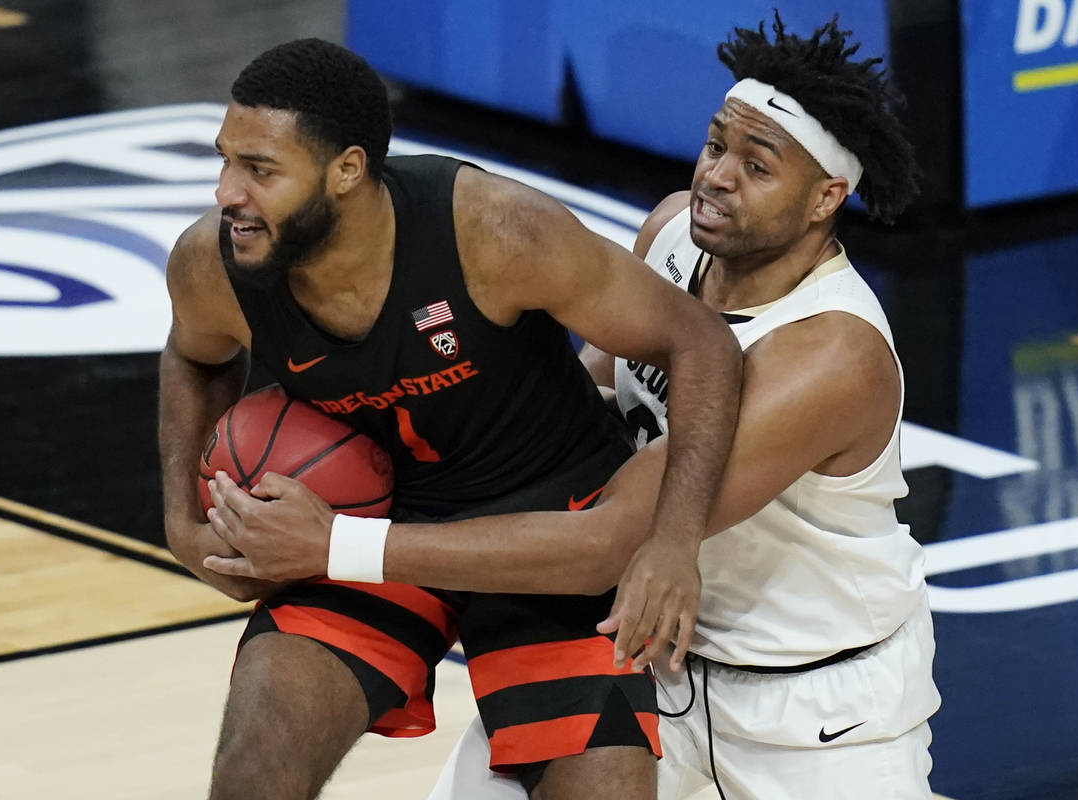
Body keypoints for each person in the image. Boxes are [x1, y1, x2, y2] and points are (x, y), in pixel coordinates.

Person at [205, 15, 941, 800]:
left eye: (756, 167)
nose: (717, 176)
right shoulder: (672, 236)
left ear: (828, 197)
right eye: (716, 144)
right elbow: (586, 390)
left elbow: (609, 536)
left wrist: (337, 545)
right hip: (645, 649)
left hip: (812, 709)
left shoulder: (830, 356)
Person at [160, 38, 742, 800]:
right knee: (253, 774)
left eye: (260, 169)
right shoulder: (216, 265)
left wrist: (672, 540)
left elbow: (701, 343)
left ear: (347, 169)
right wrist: (181, 524)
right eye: (226, 159)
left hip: (539, 534)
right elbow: (195, 356)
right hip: (356, 519)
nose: (226, 191)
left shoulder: (496, 232)